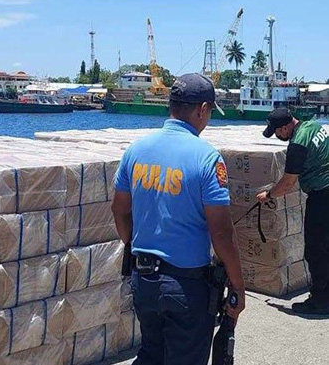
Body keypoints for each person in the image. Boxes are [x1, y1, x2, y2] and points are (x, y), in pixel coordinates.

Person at [112, 73, 245, 365]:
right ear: (202, 110)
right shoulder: (207, 158)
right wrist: (237, 284)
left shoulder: (135, 151)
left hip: (143, 280)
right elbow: (221, 233)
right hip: (186, 287)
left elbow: (119, 209)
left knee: (151, 353)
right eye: (210, 112)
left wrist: (132, 242)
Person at [256, 108, 329, 315]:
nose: (277, 136)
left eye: (277, 132)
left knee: (316, 250)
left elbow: (288, 182)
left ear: (287, 126)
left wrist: (268, 195)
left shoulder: (297, 144)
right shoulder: (313, 126)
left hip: (322, 195)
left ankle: (320, 301)